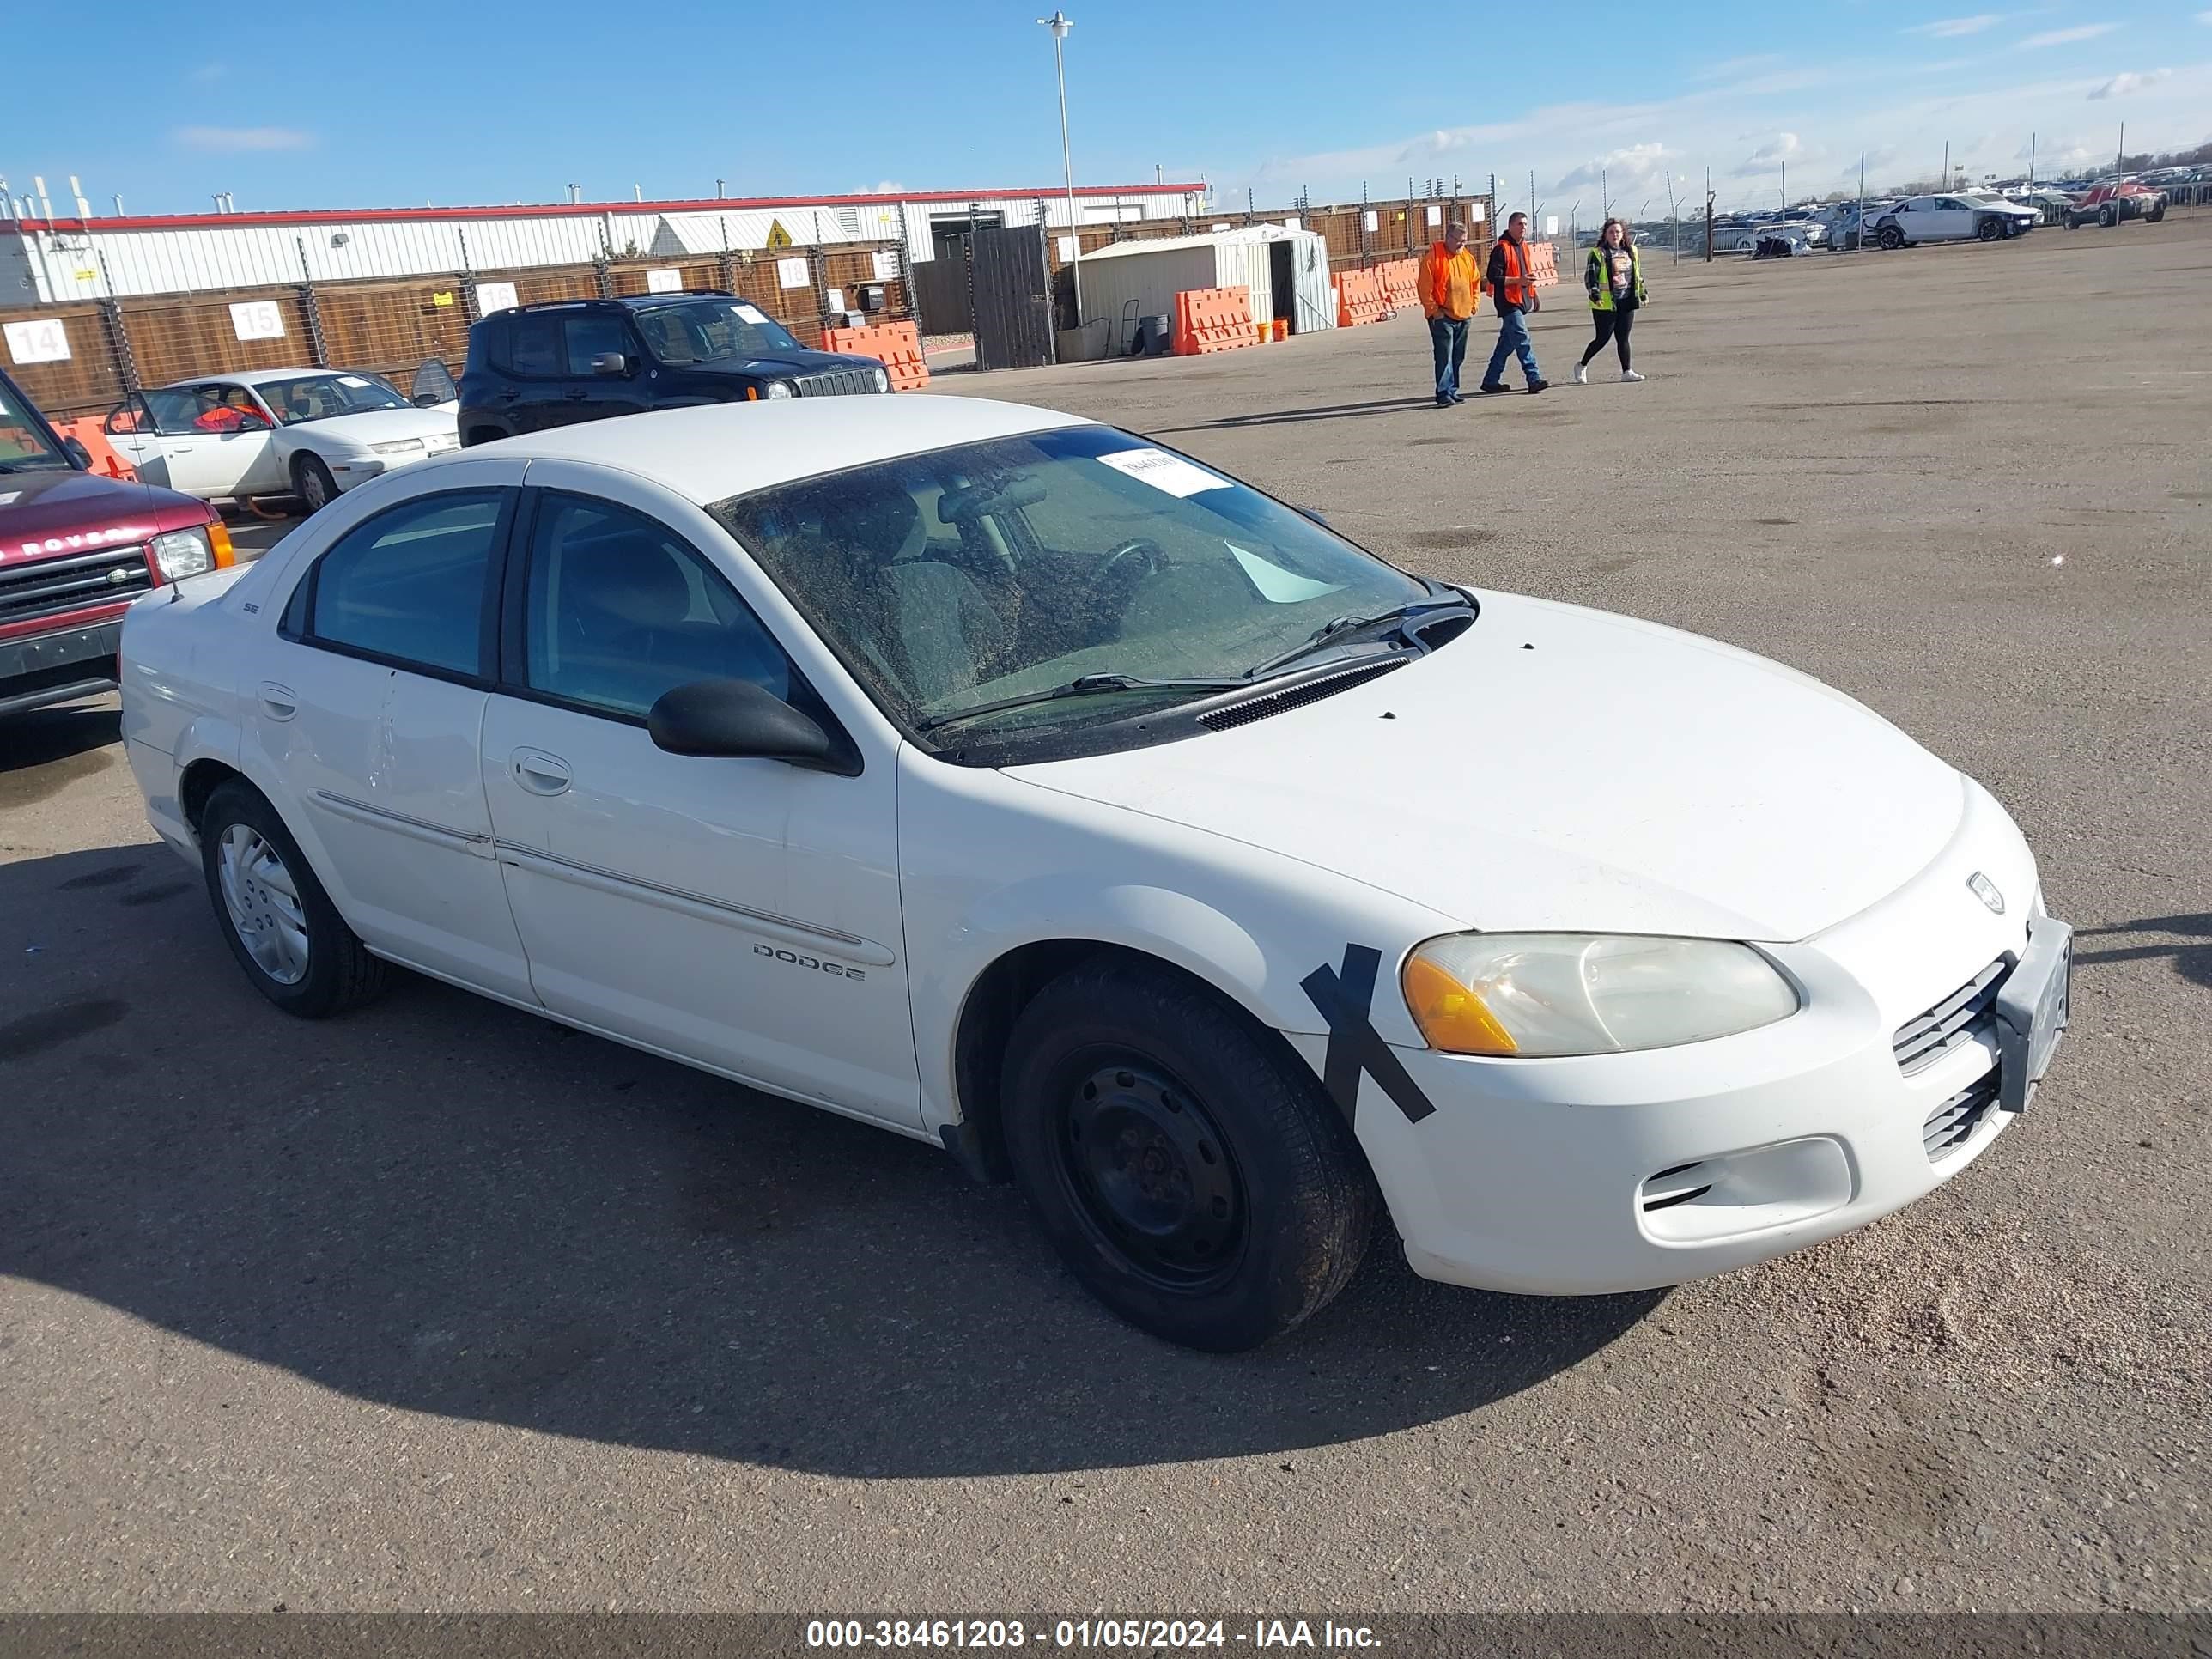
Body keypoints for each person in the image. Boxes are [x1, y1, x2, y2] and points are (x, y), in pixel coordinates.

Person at [1479, 212, 1547, 395]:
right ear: (1510, 226)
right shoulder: (1501, 249)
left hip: (1521, 299)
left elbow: (1527, 274)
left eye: (1525, 224)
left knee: (1506, 344)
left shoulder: (1524, 247)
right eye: (1519, 224)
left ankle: (1490, 380)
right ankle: (1533, 378)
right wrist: (1518, 281)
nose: (1523, 227)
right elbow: (1493, 277)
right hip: (1508, 302)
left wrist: (1533, 293)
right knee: (1522, 338)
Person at [1575, 218, 1647, 385]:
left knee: (1623, 337)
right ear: (1605, 234)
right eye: (1611, 232)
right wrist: (1595, 295)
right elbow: (1590, 278)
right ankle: (1582, 365)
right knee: (1602, 338)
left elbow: (1637, 275)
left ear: (1623, 234)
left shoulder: (1631, 251)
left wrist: (1643, 293)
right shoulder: (1598, 253)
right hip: (1605, 303)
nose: (1615, 235)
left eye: (1618, 232)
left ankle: (1627, 371)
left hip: (1626, 300)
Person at [1419, 220, 1481, 406]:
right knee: (1444, 355)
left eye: (1465, 241)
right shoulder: (1433, 258)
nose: (1462, 244)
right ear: (1448, 238)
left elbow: (1475, 283)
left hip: (1464, 315)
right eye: (1459, 240)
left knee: (1458, 355)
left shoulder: (1467, 259)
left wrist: (1474, 305)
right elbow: (1424, 288)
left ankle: (1453, 389)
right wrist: (1434, 311)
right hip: (1443, 316)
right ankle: (1443, 393)